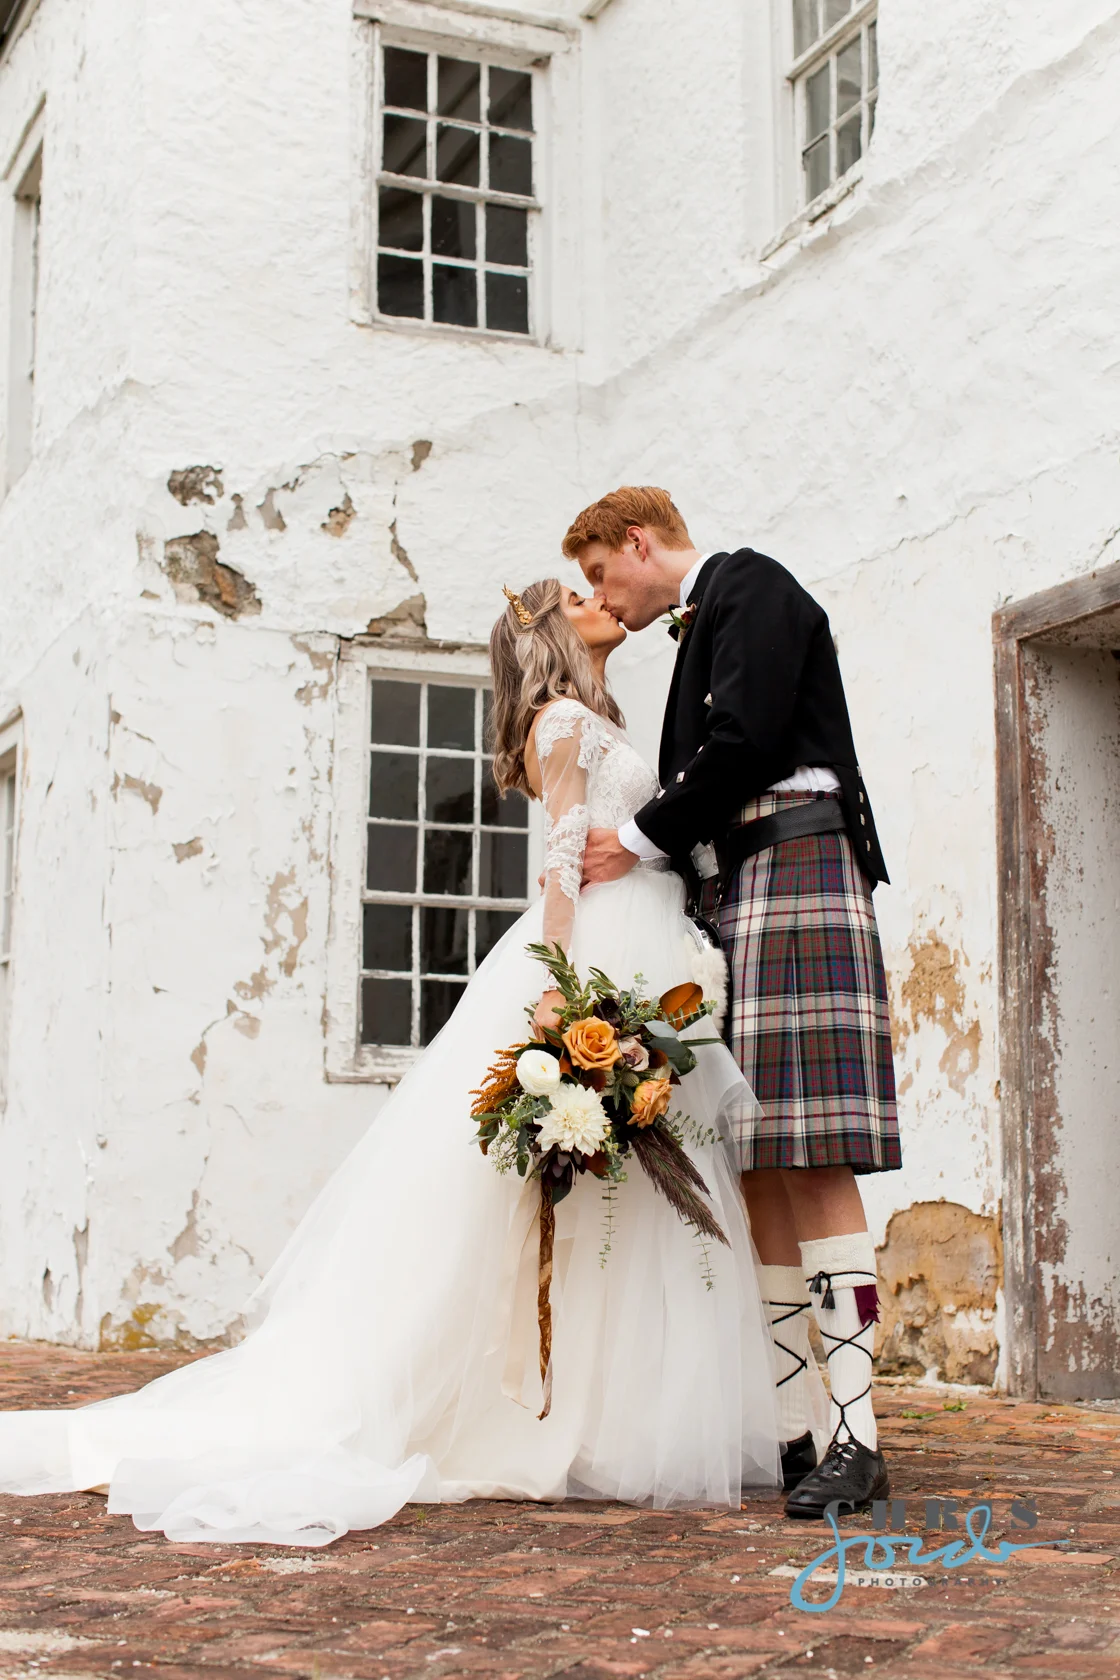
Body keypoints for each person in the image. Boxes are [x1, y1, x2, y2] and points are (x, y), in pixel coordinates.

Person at [0, 579, 799, 1546]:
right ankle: (562, 1412)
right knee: (583, 1186)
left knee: (629, 1194)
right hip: (597, 947)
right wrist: (558, 987)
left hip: (648, 941)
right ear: (547, 631)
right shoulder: (560, 721)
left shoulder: (596, 716)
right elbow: (560, 858)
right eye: (576, 594)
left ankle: (613, 1411)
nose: (599, 598)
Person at [564, 486, 900, 1519]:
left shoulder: (750, 584)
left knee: (813, 1150)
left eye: (600, 574)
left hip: (796, 869)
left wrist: (638, 840)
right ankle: (797, 1432)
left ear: (637, 542)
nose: (602, 597)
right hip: (740, 892)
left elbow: (746, 741)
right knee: (757, 1158)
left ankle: (858, 1437)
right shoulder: (700, 626)